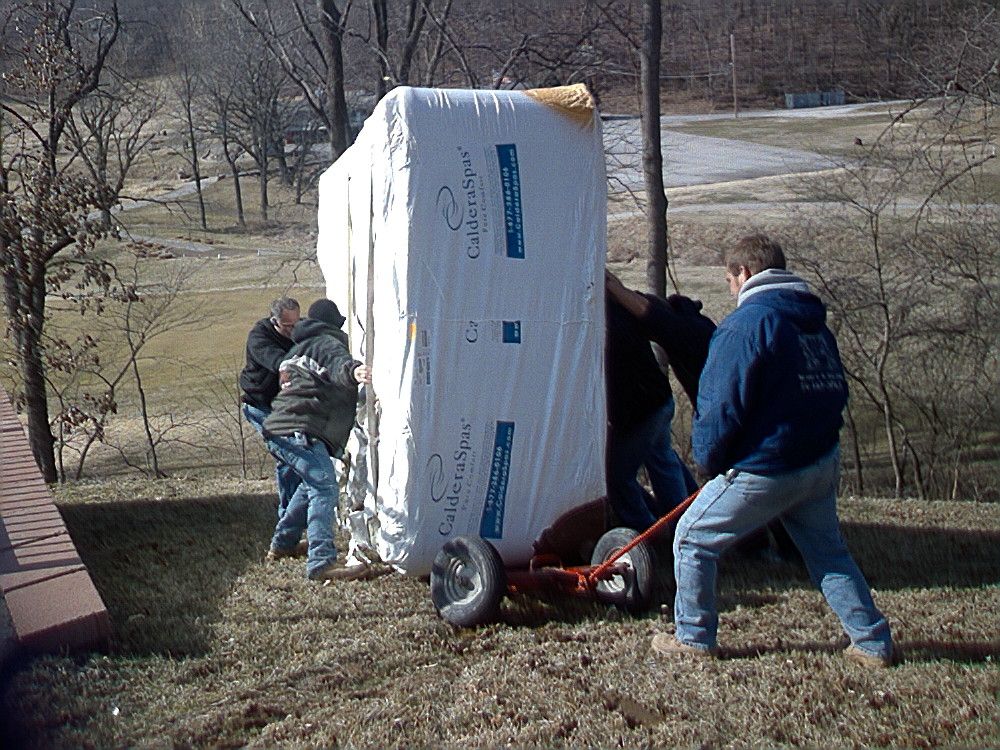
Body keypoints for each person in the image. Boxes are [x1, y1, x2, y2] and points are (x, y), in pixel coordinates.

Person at [651, 234, 895, 667]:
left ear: (745, 273)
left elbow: (719, 405)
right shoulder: (813, 322)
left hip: (767, 467)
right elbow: (836, 389)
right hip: (818, 460)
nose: (730, 289)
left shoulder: (746, 325)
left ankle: (692, 638)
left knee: (691, 539)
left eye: (730, 279)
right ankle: (872, 642)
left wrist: (709, 463)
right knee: (827, 552)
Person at [262, 298, 372, 582]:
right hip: (301, 431)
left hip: (280, 431)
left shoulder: (295, 351)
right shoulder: (326, 342)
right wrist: (355, 372)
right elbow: (338, 365)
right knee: (324, 489)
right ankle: (321, 562)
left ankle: (283, 545)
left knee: (308, 487)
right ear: (333, 324)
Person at [604, 279, 696, 533]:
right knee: (663, 461)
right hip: (657, 398)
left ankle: (647, 535)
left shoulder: (599, 316)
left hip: (639, 408)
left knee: (618, 478)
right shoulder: (622, 302)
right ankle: (685, 527)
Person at [239, 297, 303, 526]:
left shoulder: (299, 330)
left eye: (297, 323)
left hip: (283, 405)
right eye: (288, 326)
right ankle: (287, 523)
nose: (294, 329)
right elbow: (279, 362)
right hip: (259, 406)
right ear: (274, 320)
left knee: (295, 459)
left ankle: (291, 519)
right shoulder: (259, 337)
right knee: (289, 456)